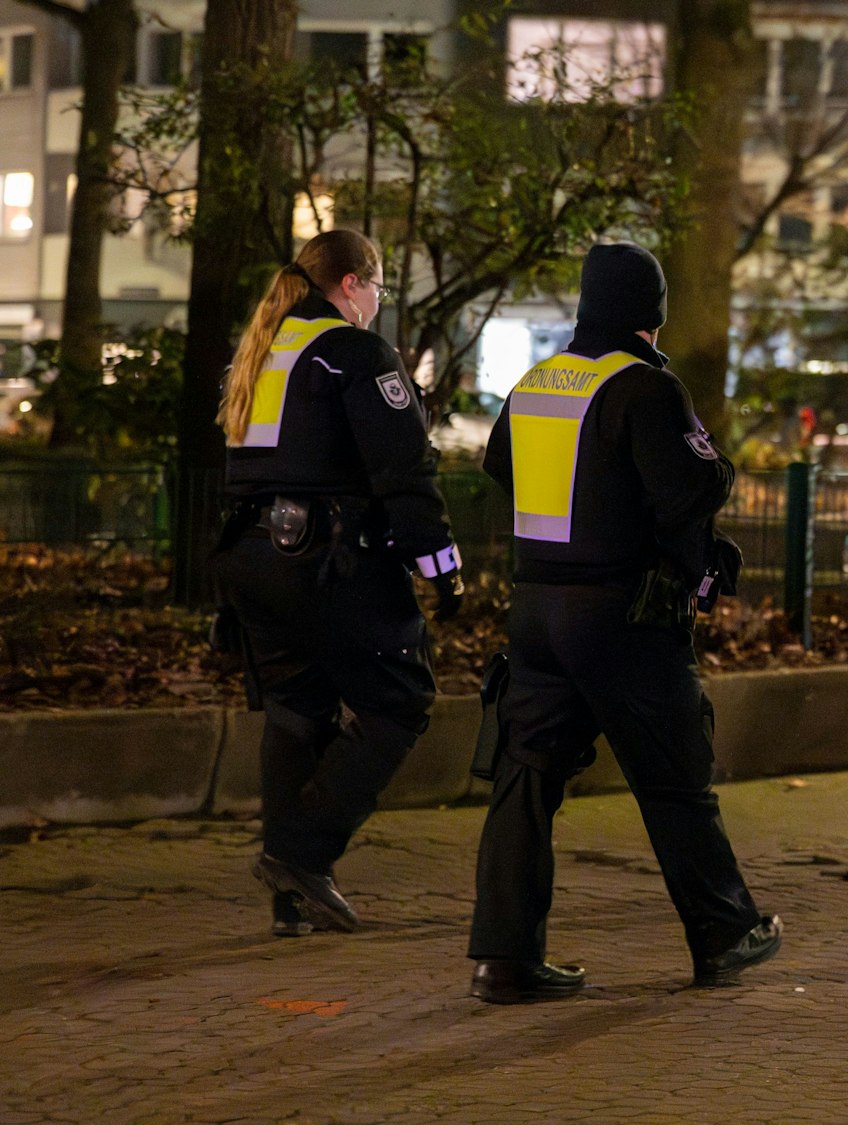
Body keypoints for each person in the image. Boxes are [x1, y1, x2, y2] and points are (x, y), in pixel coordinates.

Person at [467, 241, 778, 1005]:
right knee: (674, 777)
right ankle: (724, 931)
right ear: (651, 314)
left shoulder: (535, 383)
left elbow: (501, 468)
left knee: (525, 777)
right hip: (623, 615)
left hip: (536, 611)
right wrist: (713, 473)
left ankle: (504, 959)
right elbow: (688, 493)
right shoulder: (644, 387)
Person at [215, 228, 463, 938]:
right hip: (329, 555)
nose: (377, 303)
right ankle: (301, 852)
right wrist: (440, 567)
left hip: (253, 558)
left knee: (297, 708)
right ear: (351, 284)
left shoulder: (260, 351)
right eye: (377, 288)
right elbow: (402, 470)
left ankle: (291, 897)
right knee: (401, 700)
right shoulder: (354, 353)